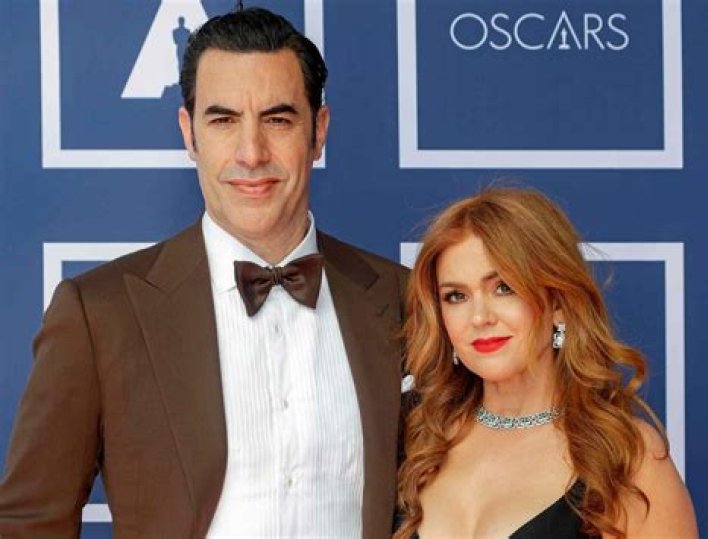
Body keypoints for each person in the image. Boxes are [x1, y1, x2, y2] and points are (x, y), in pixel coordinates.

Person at [0, 4, 407, 538]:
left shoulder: (400, 297)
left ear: (319, 131)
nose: (251, 153)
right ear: (189, 134)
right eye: (223, 120)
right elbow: (31, 523)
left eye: (278, 119)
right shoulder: (100, 314)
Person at [394, 187, 697, 538]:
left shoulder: (624, 454)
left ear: (558, 304)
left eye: (504, 288)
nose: (479, 317)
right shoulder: (415, 435)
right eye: (456, 296)